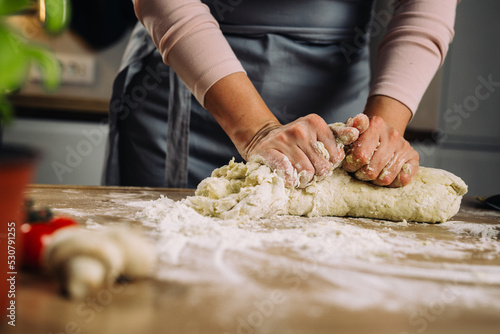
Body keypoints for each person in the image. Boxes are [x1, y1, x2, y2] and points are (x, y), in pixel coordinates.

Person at [103, 0, 458, 189]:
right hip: (190, 86)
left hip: (336, 90)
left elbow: (423, 7)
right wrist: (257, 130)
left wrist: (381, 130)